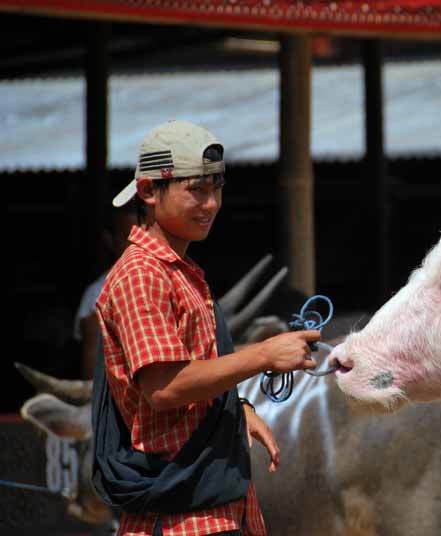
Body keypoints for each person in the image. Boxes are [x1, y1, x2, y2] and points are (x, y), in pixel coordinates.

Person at [94, 119, 319, 536]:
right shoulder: (143, 275)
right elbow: (164, 387)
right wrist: (264, 354)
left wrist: (235, 410)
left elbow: (193, 373)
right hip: (181, 518)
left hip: (216, 510)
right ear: (148, 191)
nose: (211, 203)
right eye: (196, 189)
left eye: (216, 188)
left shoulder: (183, 271)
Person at [74, 205, 138, 379]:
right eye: (127, 237)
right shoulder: (96, 294)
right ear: (109, 239)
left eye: (142, 236)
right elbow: (91, 370)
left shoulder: (169, 280)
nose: (135, 245)